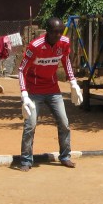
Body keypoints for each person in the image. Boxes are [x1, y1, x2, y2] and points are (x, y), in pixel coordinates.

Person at [17, 17, 83, 171]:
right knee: (30, 125)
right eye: (55, 33)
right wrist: (24, 94)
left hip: (53, 90)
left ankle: (65, 156)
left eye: (60, 32)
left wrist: (73, 82)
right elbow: (21, 70)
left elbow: (66, 61)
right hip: (33, 91)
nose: (58, 35)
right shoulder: (35, 46)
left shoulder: (64, 42)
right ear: (47, 32)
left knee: (64, 122)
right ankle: (26, 160)